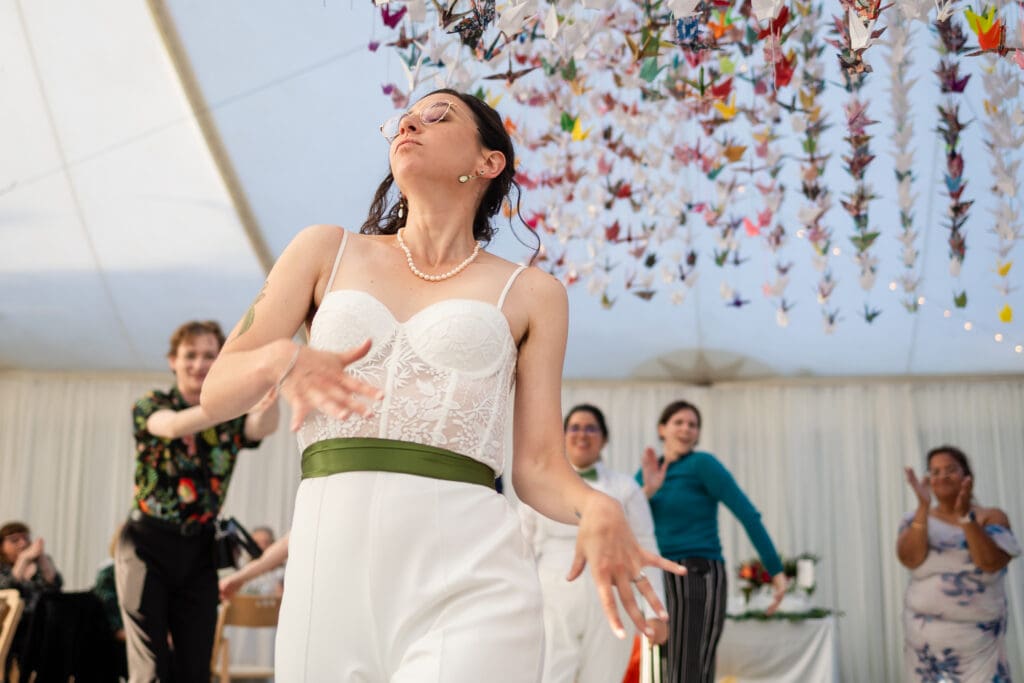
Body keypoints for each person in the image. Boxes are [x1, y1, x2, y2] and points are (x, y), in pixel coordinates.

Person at [200, 89, 684, 681]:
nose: (409, 124)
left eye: (437, 116)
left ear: (488, 163)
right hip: (328, 569)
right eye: (403, 120)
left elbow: (536, 467)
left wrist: (597, 506)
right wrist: (280, 358)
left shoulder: (534, 294)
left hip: (473, 573)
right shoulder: (324, 250)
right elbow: (216, 391)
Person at [114, 320, 280, 682]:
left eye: (209, 356)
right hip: (146, 546)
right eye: (190, 355)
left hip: (200, 551)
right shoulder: (150, 404)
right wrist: (228, 403)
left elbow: (260, 428)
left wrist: (269, 396)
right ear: (173, 360)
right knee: (151, 665)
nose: (199, 364)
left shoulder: (232, 419)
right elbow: (172, 427)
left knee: (194, 666)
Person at [637, 400, 786, 683]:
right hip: (657, 577)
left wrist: (775, 570)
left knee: (690, 668)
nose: (686, 429)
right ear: (662, 429)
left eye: (693, 425)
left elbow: (748, 514)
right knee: (661, 668)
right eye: (678, 422)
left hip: (697, 573)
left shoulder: (702, 465)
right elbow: (622, 521)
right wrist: (648, 489)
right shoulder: (648, 472)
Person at [520, 404, 667, 683]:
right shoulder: (542, 486)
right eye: (574, 427)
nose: (582, 435)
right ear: (562, 436)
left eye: (591, 428)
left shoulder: (626, 488)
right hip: (552, 596)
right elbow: (522, 547)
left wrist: (656, 612)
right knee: (550, 674)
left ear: (604, 438)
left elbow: (646, 547)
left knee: (605, 676)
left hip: (613, 596)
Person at [897, 445, 1019, 681]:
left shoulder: (990, 517)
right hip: (924, 653)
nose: (942, 476)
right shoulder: (914, 520)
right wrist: (923, 508)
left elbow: (990, 562)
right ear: (928, 479)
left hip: (979, 651)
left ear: (967, 475)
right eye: (935, 471)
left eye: (950, 469)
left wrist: (965, 518)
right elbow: (909, 559)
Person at [0, 521, 62, 672]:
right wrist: (23, 560)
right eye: (14, 540)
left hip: (44, 625)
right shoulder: (3, 567)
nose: (22, 544)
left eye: (26, 539)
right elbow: (6, 590)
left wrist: (41, 559)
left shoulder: (39, 564)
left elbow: (55, 585)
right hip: (14, 628)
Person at [219, 532, 290, 601]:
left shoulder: (282, 574)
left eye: (266, 542)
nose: (261, 546)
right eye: (257, 543)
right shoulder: (241, 569)